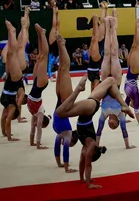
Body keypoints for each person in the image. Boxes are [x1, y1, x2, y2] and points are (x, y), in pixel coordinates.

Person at [55, 75, 132, 189]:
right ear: (93, 152)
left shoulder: (86, 147)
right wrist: (89, 184)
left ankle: (79, 89)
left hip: (90, 107)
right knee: (110, 80)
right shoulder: (90, 145)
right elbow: (87, 165)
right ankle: (124, 105)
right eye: (90, 155)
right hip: (89, 109)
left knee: (60, 112)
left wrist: (82, 179)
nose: (87, 156)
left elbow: (82, 163)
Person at [96, 5, 135, 149]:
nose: (111, 125)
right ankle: (112, 28)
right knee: (114, 54)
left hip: (105, 80)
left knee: (107, 54)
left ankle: (108, 27)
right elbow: (124, 131)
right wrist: (127, 146)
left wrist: (96, 145)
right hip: (116, 82)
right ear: (117, 122)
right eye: (114, 126)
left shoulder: (103, 114)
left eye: (110, 126)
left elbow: (98, 131)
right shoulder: (121, 114)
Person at [52, 23, 79, 173]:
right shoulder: (63, 133)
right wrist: (63, 166)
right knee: (63, 69)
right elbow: (61, 148)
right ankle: (61, 45)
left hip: (63, 102)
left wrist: (62, 165)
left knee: (63, 69)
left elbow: (59, 147)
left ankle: (61, 45)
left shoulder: (63, 134)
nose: (66, 144)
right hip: (60, 102)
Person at [0, 19, 27, 142]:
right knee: (12, 54)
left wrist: (6, 134)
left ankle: (12, 32)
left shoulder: (11, 106)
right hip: (8, 88)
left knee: (12, 54)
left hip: (12, 81)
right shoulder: (10, 107)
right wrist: (6, 135)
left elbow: (6, 120)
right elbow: (6, 120)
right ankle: (12, 32)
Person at [27, 22, 51, 149]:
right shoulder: (40, 113)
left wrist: (31, 142)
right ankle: (42, 33)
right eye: (39, 124)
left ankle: (39, 34)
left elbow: (32, 128)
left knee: (40, 57)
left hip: (35, 87)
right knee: (44, 56)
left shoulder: (34, 115)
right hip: (40, 85)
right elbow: (38, 128)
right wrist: (38, 145)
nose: (36, 124)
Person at [86, 11, 105, 91]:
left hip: (94, 65)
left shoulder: (99, 37)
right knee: (94, 38)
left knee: (94, 38)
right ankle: (102, 11)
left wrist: (95, 21)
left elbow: (95, 36)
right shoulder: (100, 37)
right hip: (94, 66)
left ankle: (96, 19)